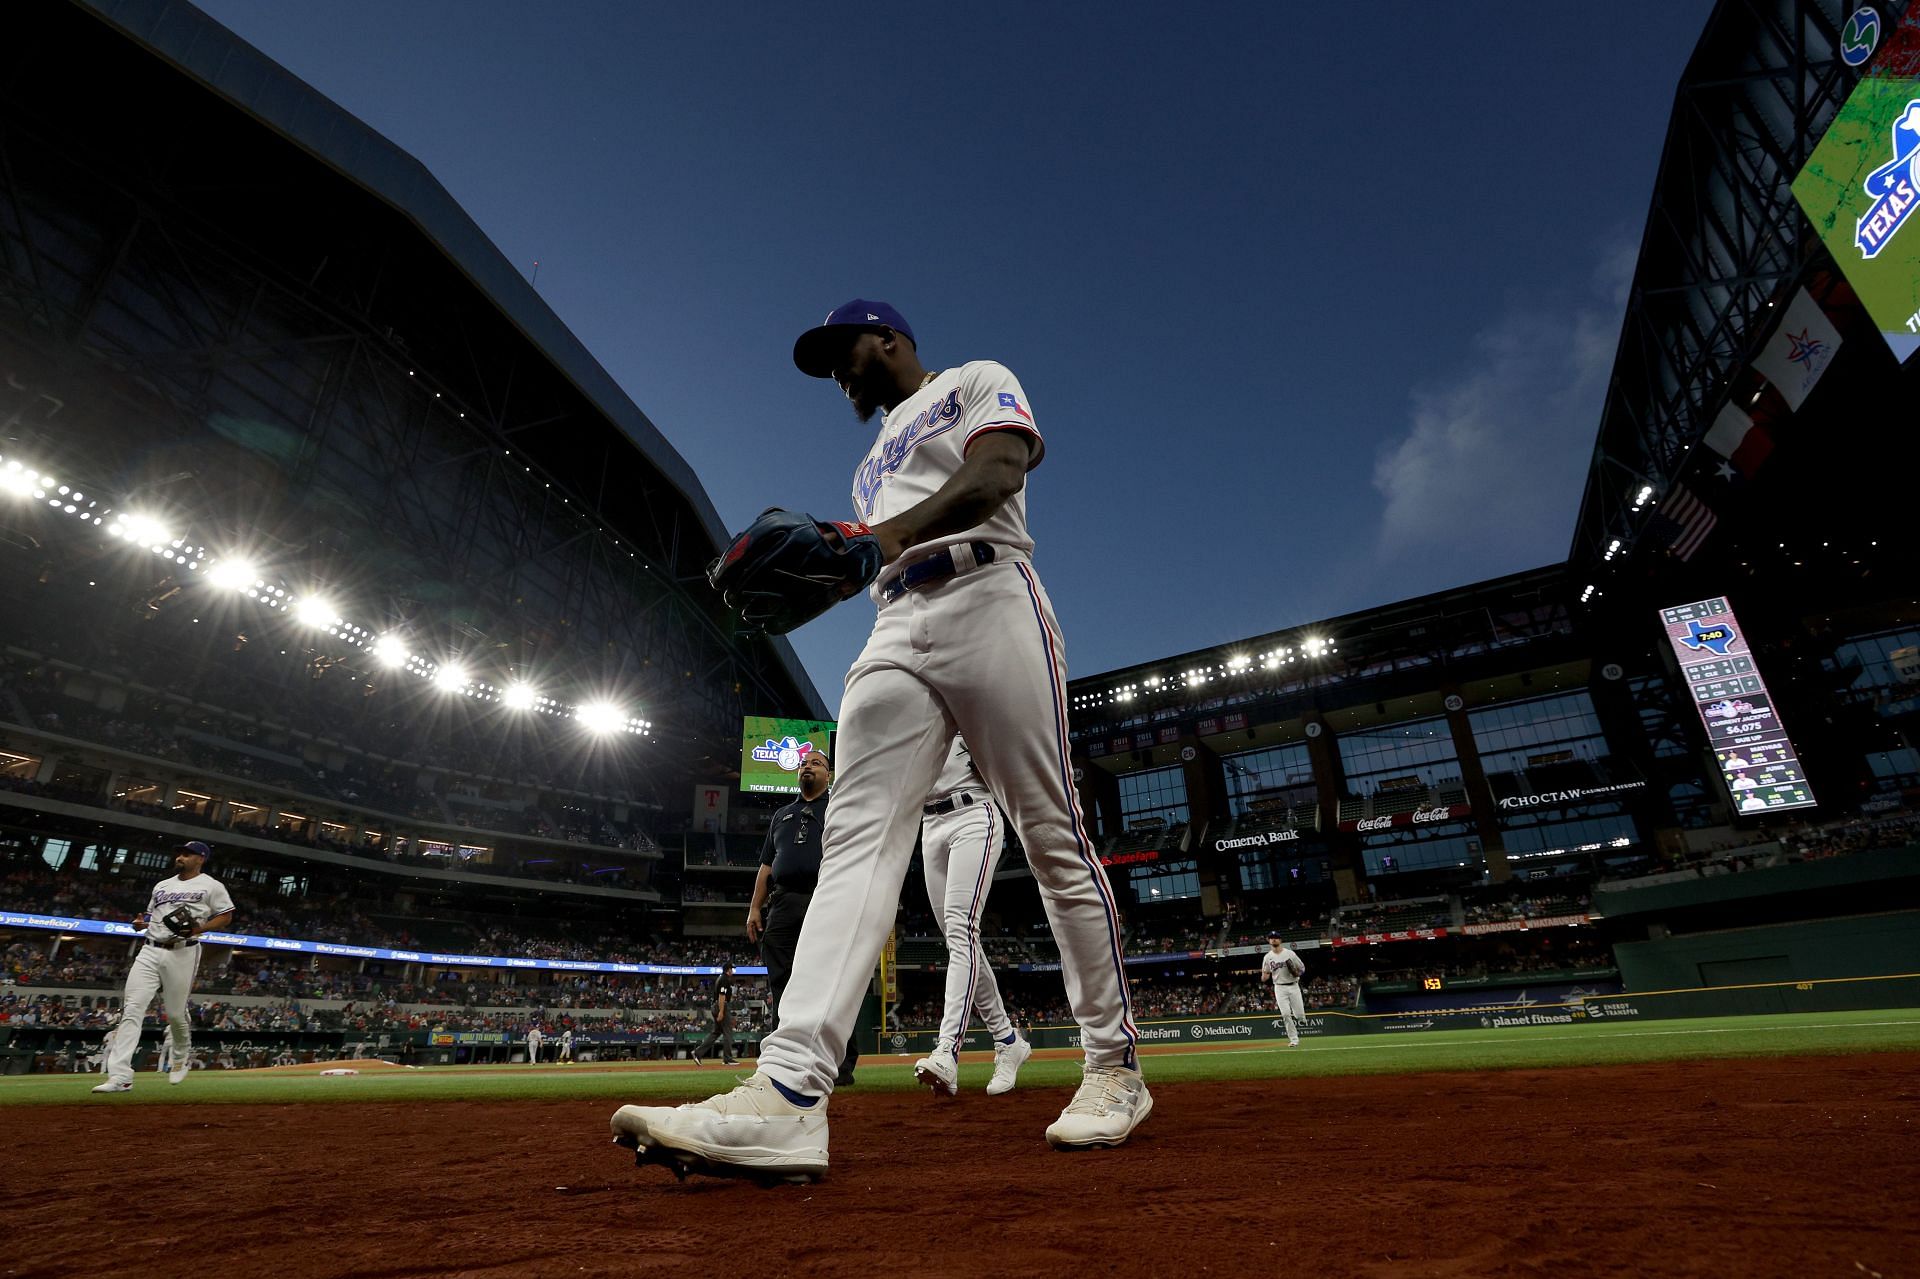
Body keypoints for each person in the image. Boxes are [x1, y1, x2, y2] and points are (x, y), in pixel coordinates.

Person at [613, 300, 1144, 1181]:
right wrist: (838, 566)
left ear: (890, 338)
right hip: (894, 625)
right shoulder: (869, 468)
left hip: (991, 593)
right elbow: (869, 551)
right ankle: (789, 1093)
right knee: (853, 843)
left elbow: (1000, 468)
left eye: (844, 352)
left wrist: (877, 536)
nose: (838, 373)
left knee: (1053, 833)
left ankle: (1112, 1066)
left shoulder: (976, 380)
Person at [911, 736, 1030, 1096]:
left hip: (973, 813)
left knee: (962, 932)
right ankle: (1008, 1041)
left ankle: (947, 1050)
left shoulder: (971, 699)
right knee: (959, 941)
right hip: (929, 824)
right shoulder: (916, 713)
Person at [743, 750, 859, 1084]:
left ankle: (841, 1064)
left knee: (830, 982)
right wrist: (754, 907)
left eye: (816, 763)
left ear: (829, 774)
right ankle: (785, 1061)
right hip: (783, 904)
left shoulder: (839, 809)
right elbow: (767, 865)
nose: (807, 766)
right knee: (781, 982)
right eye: (804, 763)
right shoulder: (781, 815)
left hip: (823, 900)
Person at [92, 840, 234, 1093]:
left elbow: (226, 915)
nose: (181, 856)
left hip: (183, 951)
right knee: (132, 1010)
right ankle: (121, 1076)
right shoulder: (162, 885)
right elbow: (151, 917)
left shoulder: (212, 885)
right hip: (149, 949)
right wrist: (141, 923)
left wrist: (200, 928)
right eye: (180, 853)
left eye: (188, 854)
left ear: (201, 859)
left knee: (176, 1014)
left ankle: (180, 1055)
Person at [1261, 932, 1307, 1047]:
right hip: (1279, 988)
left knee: (1299, 1015)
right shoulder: (1267, 957)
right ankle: (1294, 1039)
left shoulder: (1289, 954)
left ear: (1280, 940)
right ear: (1269, 941)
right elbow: (1266, 973)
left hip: (1293, 985)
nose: (1274, 940)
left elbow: (1302, 968)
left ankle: (1301, 1017)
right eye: (1271, 938)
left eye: (1276, 938)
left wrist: (1298, 974)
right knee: (1285, 1014)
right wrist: (1264, 977)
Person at [692, 963, 739, 1067]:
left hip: (716, 1006)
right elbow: (721, 996)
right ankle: (728, 1059)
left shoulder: (721, 978)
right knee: (728, 1032)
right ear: (728, 970)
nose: (733, 971)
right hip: (721, 1006)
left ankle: (698, 1053)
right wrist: (721, 1011)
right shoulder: (724, 979)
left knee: (716, 1032)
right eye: (732, 969)